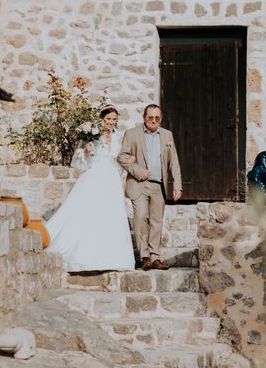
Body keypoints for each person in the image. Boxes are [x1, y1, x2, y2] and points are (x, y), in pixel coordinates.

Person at [46, 105, 135, 272]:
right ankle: (87, 256)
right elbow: (78, 160)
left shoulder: (117, 137)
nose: (111, 122)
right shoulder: (93, 135)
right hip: (95, 176)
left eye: (114, 119)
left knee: (110, 215)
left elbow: (120, 159)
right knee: (91, 213)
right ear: (102, 119)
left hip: (112, 179)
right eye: (108, 119)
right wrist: (86, 151)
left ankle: (111, 258)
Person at [118, 104, 182, 270]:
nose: (154, 121)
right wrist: (139, 171)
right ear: (144, 118)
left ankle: (155, 257)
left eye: (157, 118)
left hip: (158, 185)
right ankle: (144, 256)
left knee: (156, 222)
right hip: (139, 184)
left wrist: (177, 185)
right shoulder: (132, 134)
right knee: (140, 218)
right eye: (150, 117)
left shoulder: (167, 135)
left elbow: (173, 161)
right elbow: (122, 156)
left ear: (161, 118)